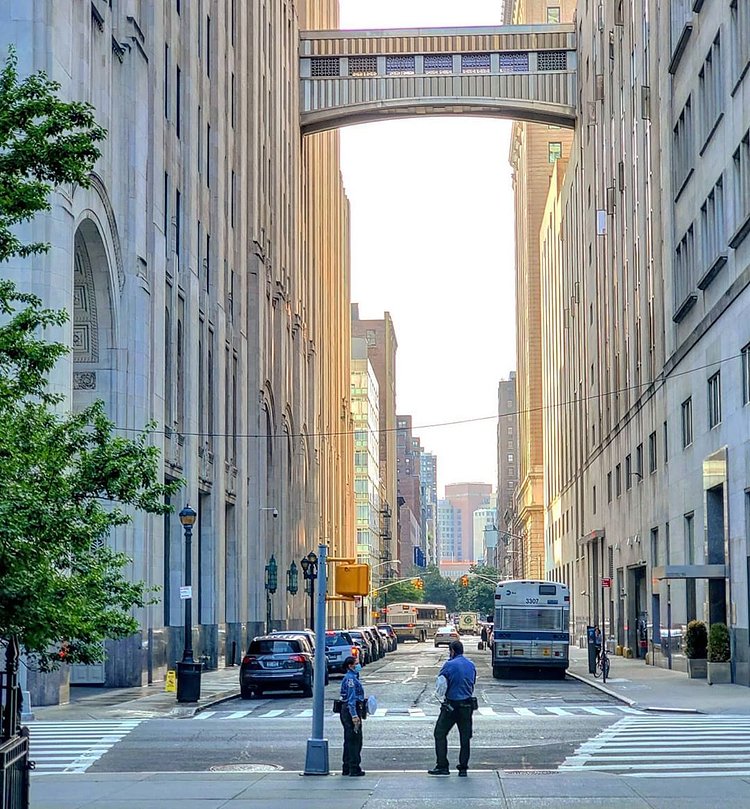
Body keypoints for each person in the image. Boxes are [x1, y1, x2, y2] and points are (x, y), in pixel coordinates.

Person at [428, 640, 477, 777]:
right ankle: (463, 768)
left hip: (451, 706)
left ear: (452, 651)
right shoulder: (471, 665)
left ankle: (442, 766)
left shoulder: (449, 665)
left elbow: (441, 684)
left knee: (439, 733)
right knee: (465, 738)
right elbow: (472, 682)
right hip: (467, 705)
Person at [339, 655, 366, 777]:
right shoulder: (351, 679)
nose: (358, 665)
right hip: (351, 710)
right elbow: (351, 700)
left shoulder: (352, 677)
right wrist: (354, 716)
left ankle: (347, 767)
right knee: (355, 740)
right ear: (350, 666)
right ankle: (354, 768)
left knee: (349, 739)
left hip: (349, 709)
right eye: (356, 663)